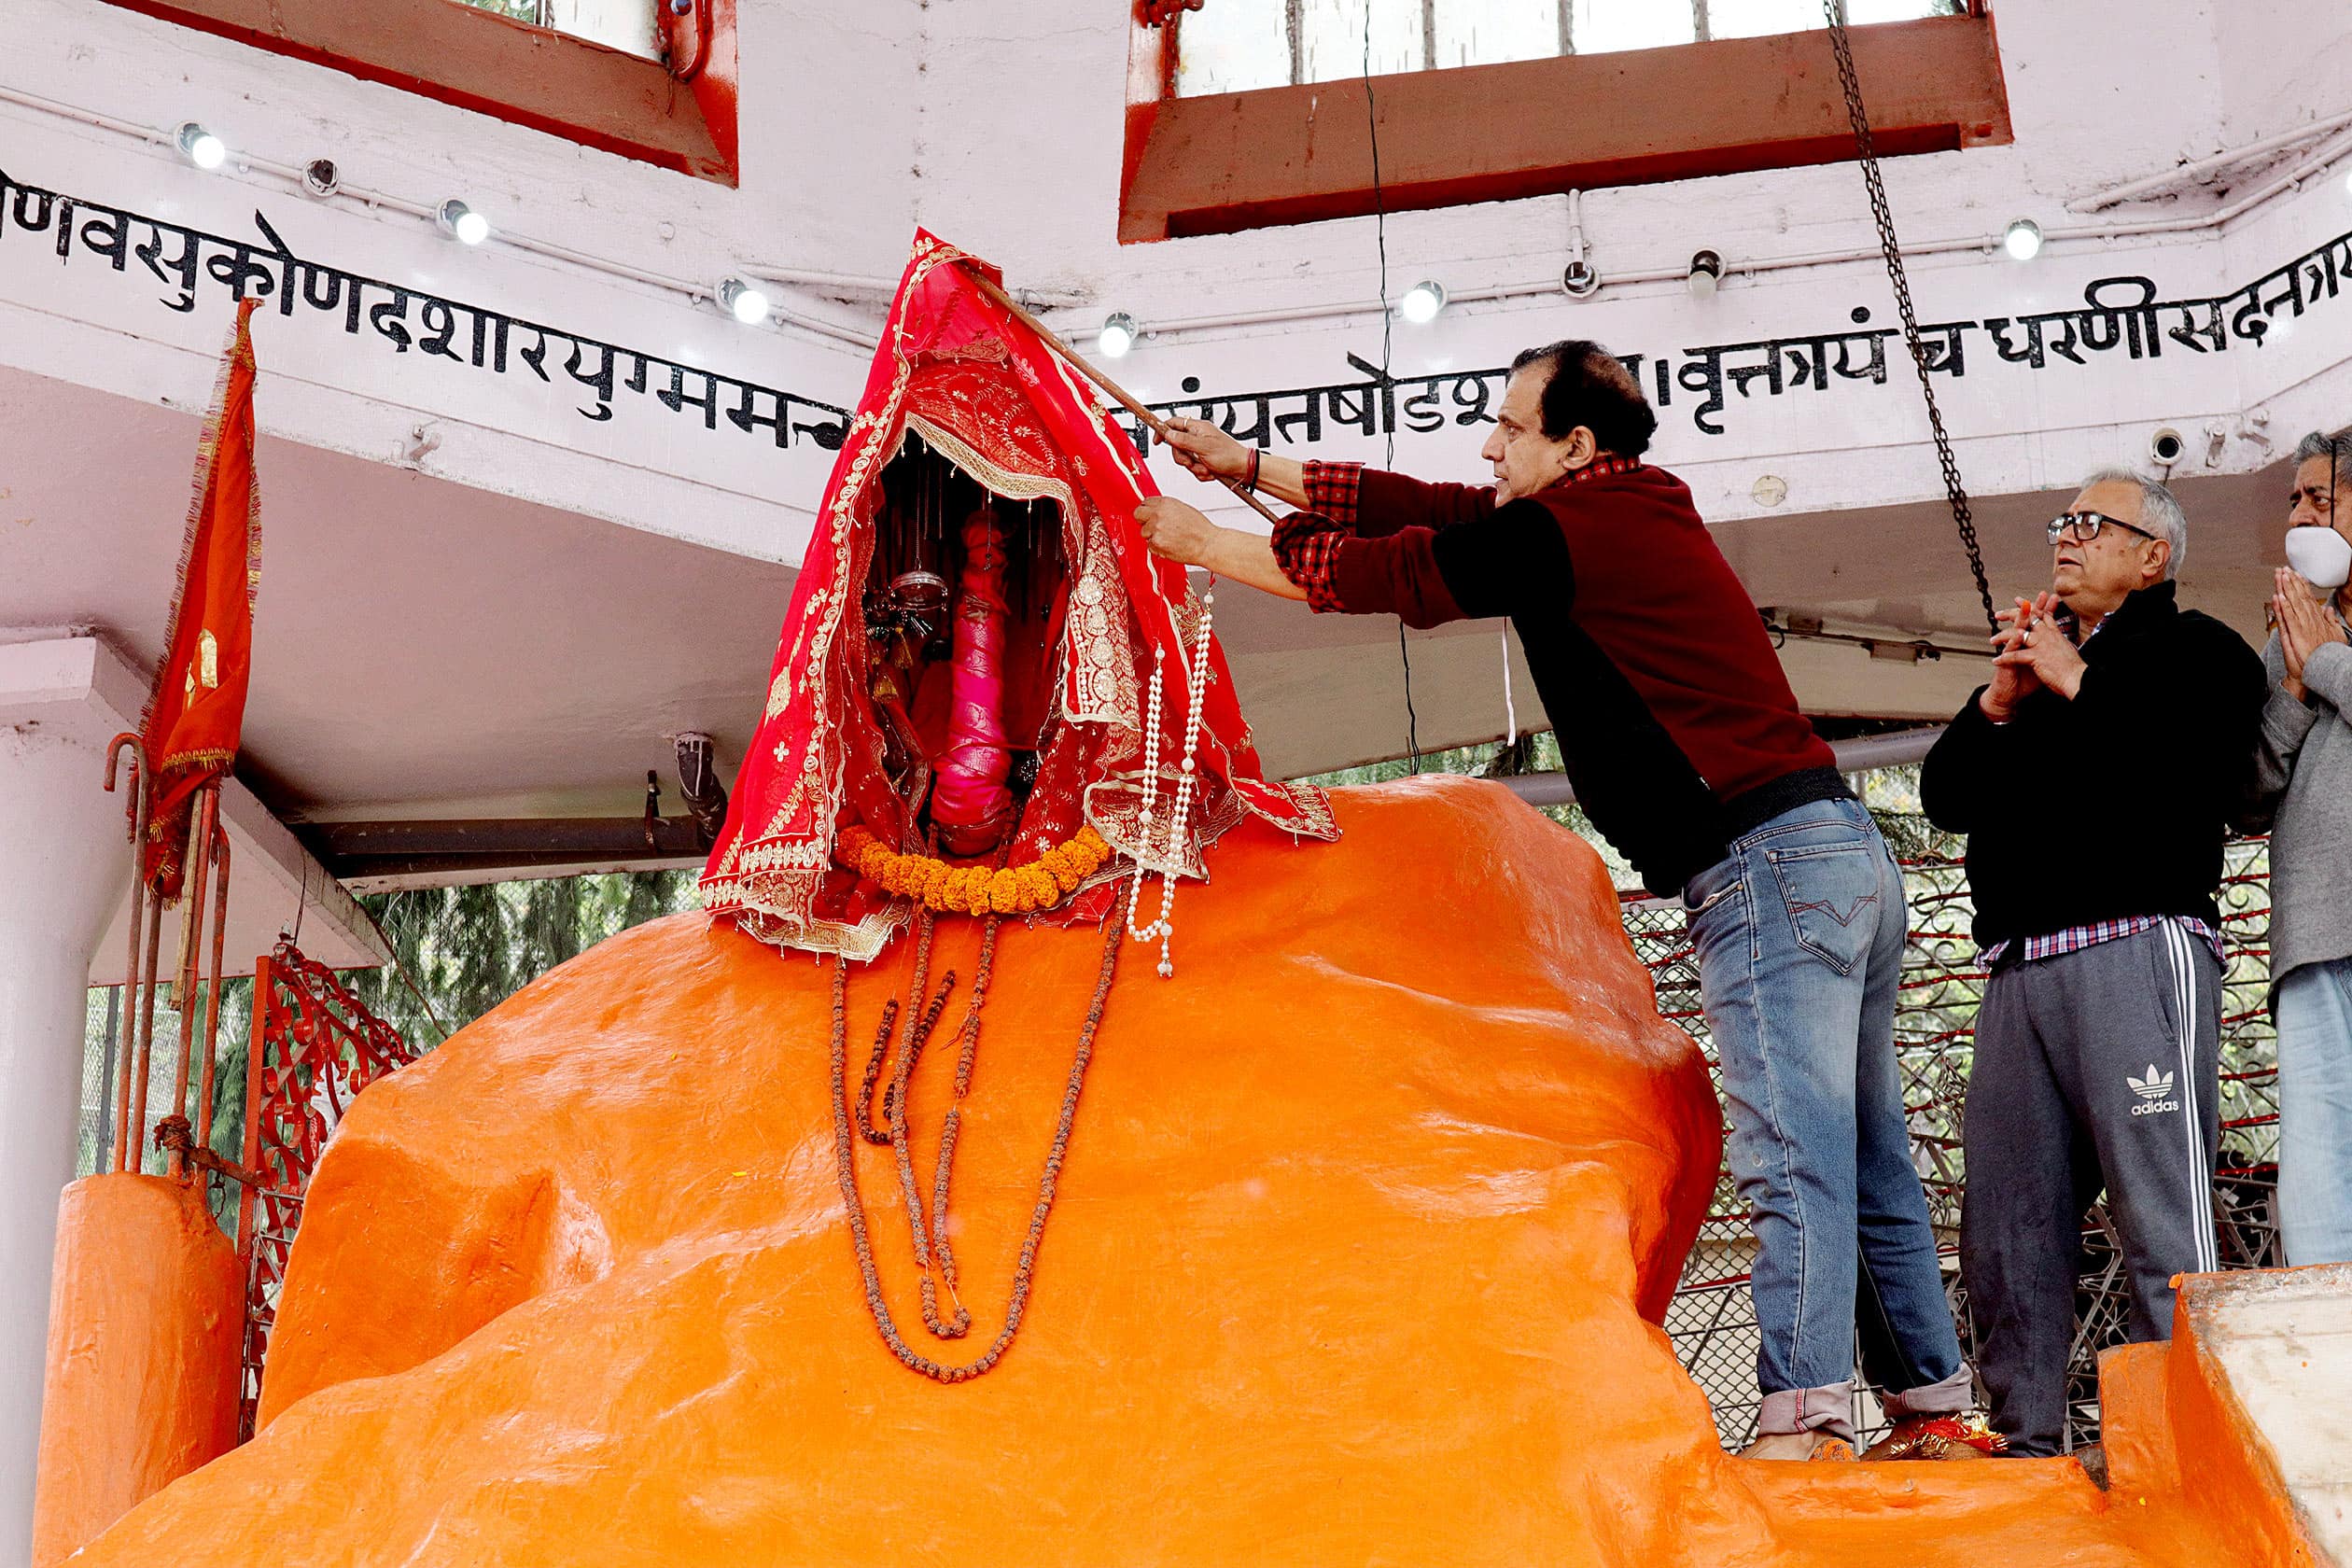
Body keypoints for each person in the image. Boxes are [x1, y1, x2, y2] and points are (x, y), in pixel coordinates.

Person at [1135, 340, 1983, 1462]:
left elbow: (1408, 572)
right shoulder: (1612, 508)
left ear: (1574, 445)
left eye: (1511, 427)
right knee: (1861, 1144)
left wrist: (1206, 544)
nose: (1490, 446)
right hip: (1827, 858)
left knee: (1796, 1153)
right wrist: (1245, 463)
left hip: (1768, 865)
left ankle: (1808, 1419)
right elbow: (1432, 510)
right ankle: (1928, 1404)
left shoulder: (1572, 529)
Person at [1921, 469, 2266, 1458]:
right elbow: (1946, 797)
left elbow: (2190, 763)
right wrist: (1999, 699)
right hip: (2019, 968)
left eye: (2090, 524)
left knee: (2163, 1211)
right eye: (2059, 523)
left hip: (2136, 947)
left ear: (2153, 557)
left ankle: (2187, 1449)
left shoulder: (2199, 650)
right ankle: (2029, 1446)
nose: (2065, 538)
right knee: (2006, 1229)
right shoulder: (2041, 671)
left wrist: (2074, 679)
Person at [2247, 427, 2352, 1267]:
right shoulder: (2294, 628)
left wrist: (2324, 664)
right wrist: (2289, 679)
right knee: (2318, 1160)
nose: (2300, 521)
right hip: (2314, 933)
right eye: (2295, 503)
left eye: (2319, 499)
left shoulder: (2318, 640)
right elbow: (2248, 789)